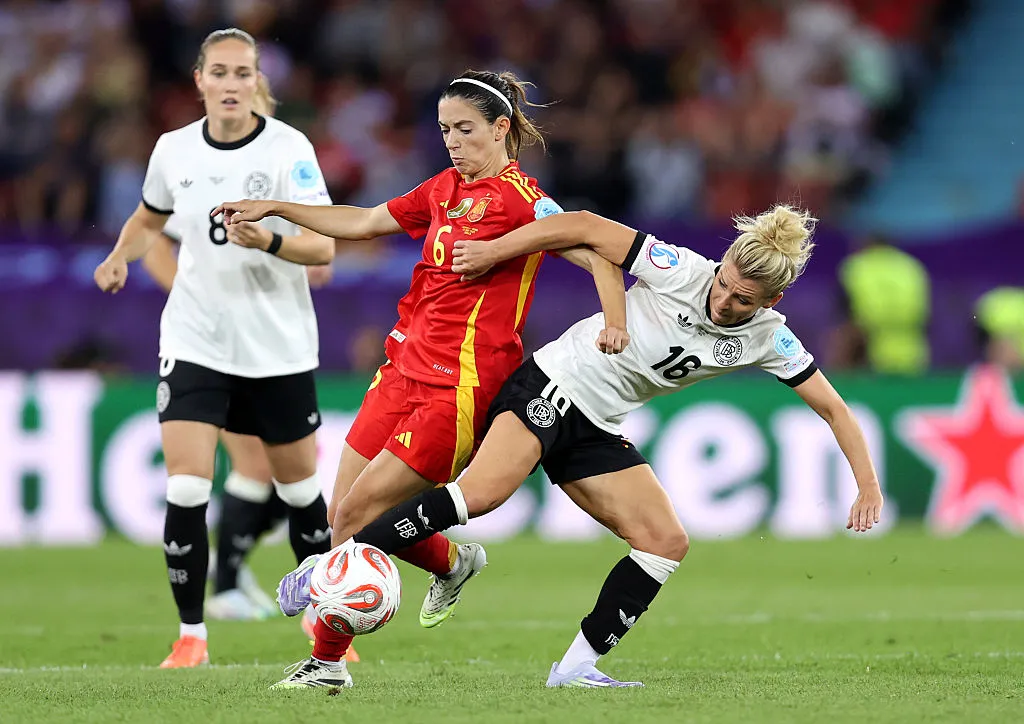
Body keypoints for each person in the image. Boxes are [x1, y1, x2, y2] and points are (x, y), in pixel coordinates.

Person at [327, 205, 885, 688]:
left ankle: (575, 669)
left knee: (664, 540)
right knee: (485, 494)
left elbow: (834, 408)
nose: (724, 302)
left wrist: (867, 484)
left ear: (773, 299)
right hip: (551, 384)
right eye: (725, 284)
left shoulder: (769, 336)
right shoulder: (681, 269)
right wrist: (500, 247)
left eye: (743, 301)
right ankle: (340, 561)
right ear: (722, 265)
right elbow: (585, 226)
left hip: (598, 423)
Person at [214, 69, 629, 689]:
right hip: (401, 366)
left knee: (356, 518)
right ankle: (453, 561)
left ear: (501, 128)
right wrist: (277, 210)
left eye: (465, 130)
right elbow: (362, 223)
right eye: (443, 131)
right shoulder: (443, 187)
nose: (453, 142)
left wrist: (614, 322)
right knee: (343, 518)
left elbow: (596, 251)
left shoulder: (523, 200)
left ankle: (327, 665)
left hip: (460, 386)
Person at [93, 28, 337, 669]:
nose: (232, 85)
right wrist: (121, 255)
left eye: (243, 73)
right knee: (186, 489)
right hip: (196, 339)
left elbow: (324, 246)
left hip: (277, 345)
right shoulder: (173, 150)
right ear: (199, 80)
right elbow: (150, 217)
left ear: (258, 81)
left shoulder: (290, 149)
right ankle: (192, 634)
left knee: (300, 491)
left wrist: (272, 243)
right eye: (220, 73)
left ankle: (324, 628)